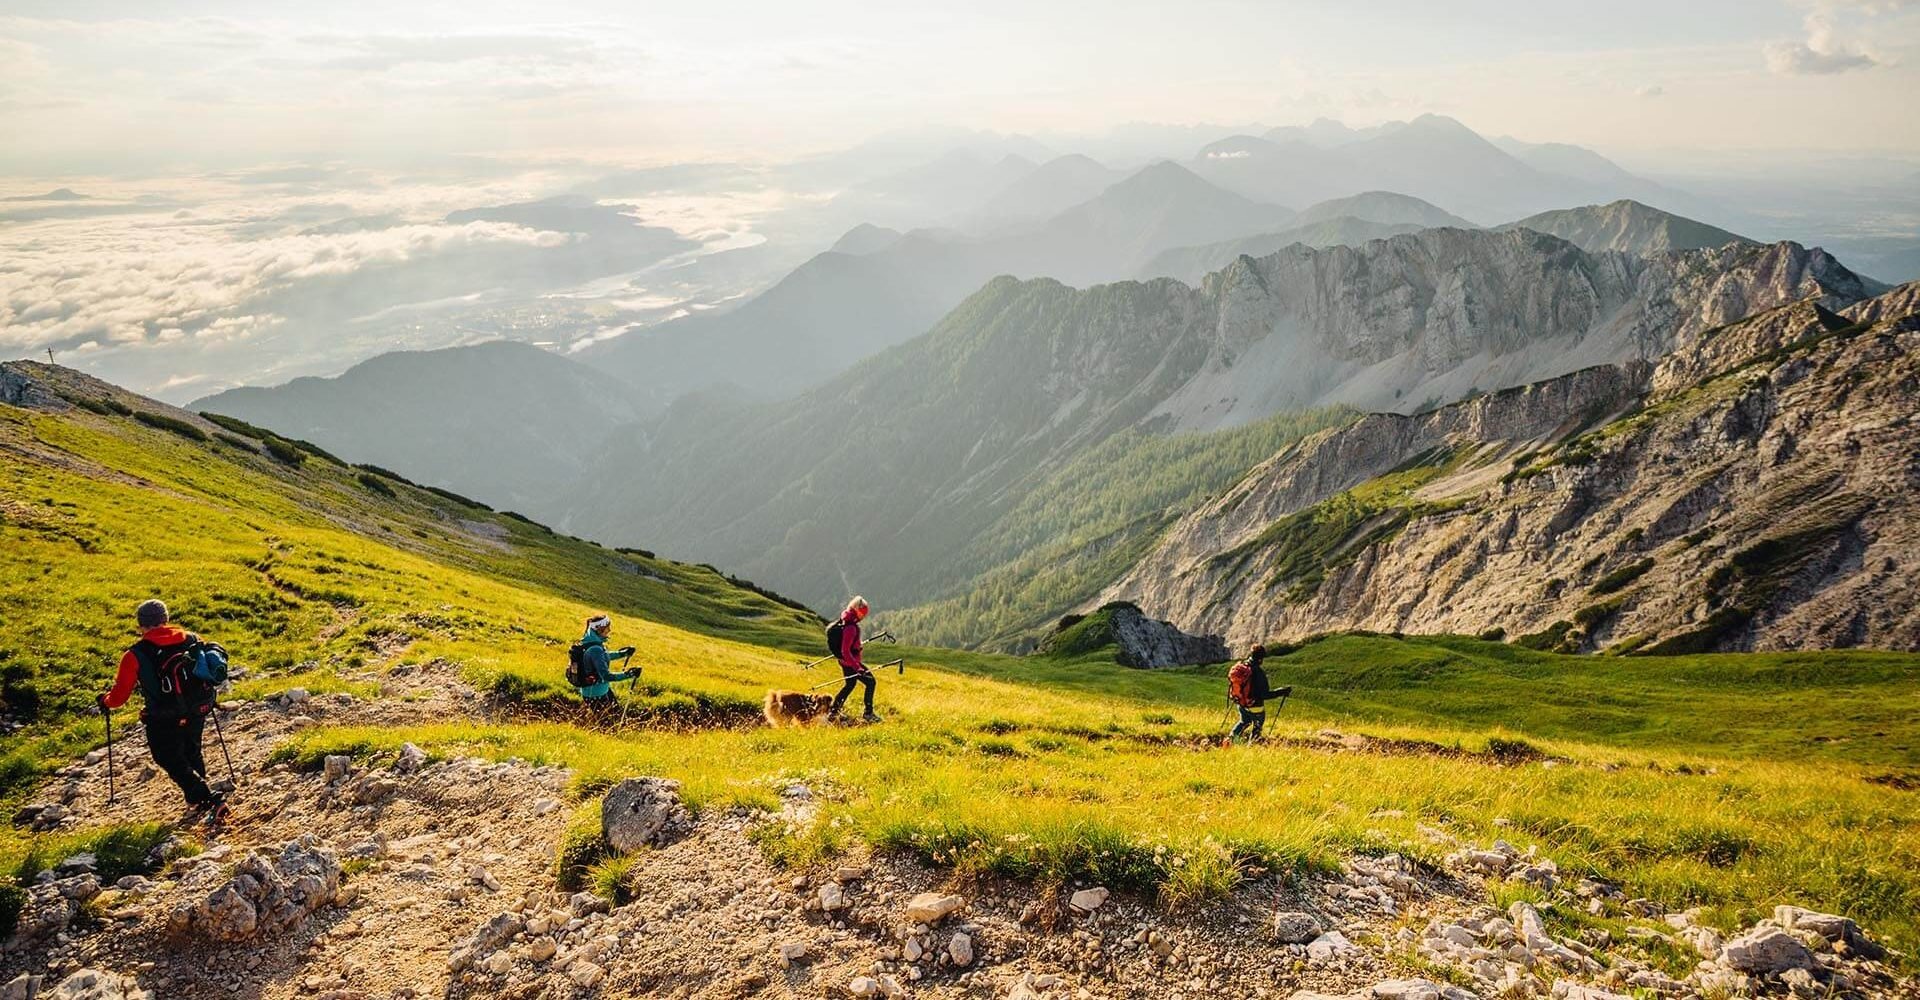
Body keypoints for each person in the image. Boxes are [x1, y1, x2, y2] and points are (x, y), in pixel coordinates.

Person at [97, 600, 230, 821]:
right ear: (166, 619)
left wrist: (105, 701)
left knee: (167, 757)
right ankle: (196, 800)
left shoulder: (135, 655)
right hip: (198, 709)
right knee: (191, 751)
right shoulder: (192, 639)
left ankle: (209, 800)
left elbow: (119, 698)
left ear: (141, 625)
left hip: (163, 717)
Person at [827, 597, 881, 723]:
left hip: (846, 662)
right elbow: (845, 650)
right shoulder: (851, 627)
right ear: (858, 611)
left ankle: (834, 712)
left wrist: (857, 646)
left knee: (849, 685)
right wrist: (858, 668)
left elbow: (847, 647)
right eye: (863, 613)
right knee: (871, 682)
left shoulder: (845, 620)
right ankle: (868, 714)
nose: (864, 616)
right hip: (851, 663)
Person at [575, 614, 639, 712]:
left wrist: (622, 654)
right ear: (599, 630)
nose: (609, 630)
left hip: (599, 690)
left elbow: (603, 657)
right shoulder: (595, 649)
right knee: (608, 723)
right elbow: (606, 676)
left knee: (614, 715)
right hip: (597, 694)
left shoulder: (590, 642)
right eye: (607, 628)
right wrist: (628, 674)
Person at [1227, 644, 1289, 744]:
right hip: (1255, 706)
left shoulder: (1243, 667)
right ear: (1261, 658)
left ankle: (1231, 739)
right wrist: (1282, 691)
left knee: (1244, 721)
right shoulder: (1259, 673)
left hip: (1241, 703)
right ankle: (1252, 745)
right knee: (1257, 725)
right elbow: (1265, 695)